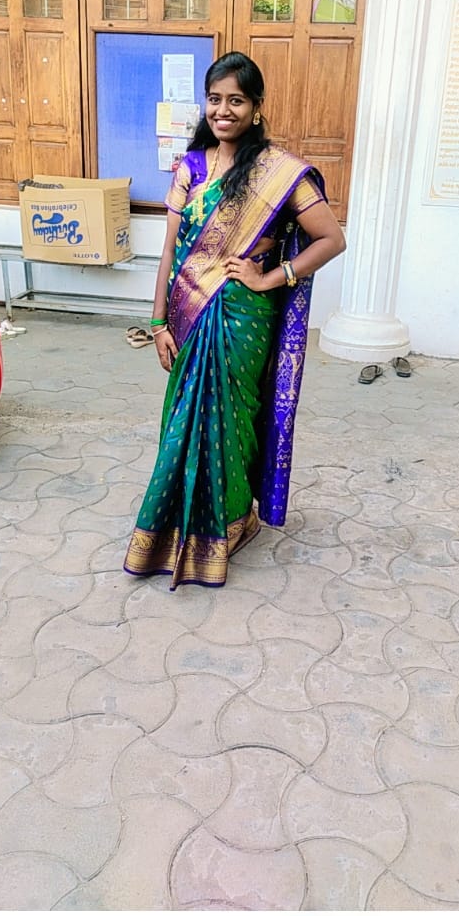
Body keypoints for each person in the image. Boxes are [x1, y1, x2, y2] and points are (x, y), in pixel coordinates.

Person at [123, 51, 346, 589]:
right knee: (183, 423)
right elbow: (170, 250)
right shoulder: (191, 168)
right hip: (189, 313)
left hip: (243, 317)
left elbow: (331, 239)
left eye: (236, 101)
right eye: (215, 99)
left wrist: (272, 278)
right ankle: (172, 528)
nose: (224, 111)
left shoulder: (279, 172)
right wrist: (159, 324)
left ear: (256, 107)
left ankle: (231, 522)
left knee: (233, 422)